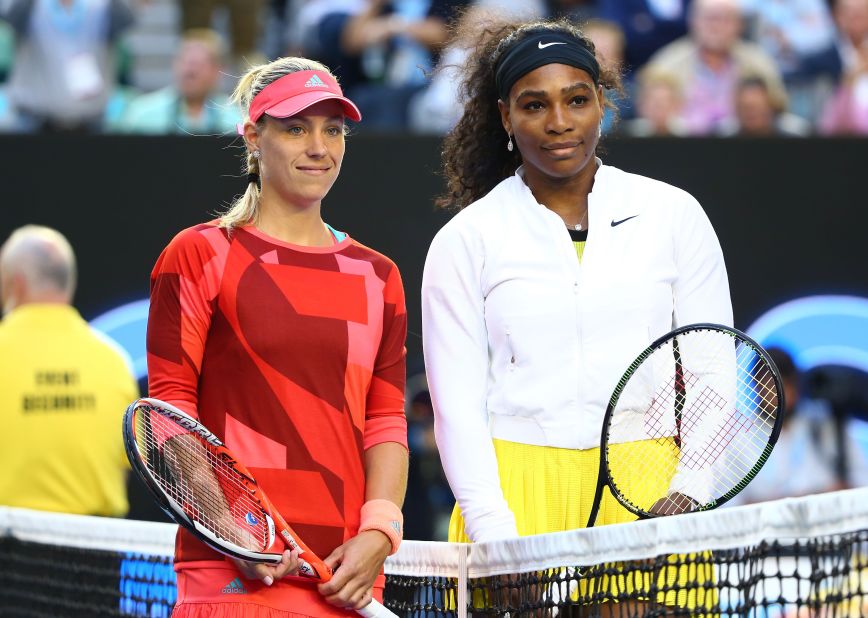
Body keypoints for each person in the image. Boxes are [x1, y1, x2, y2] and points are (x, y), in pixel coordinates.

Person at [421, 15, 731, 612]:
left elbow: (713, 369)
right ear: (506, 117)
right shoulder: (466, 239)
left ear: (603, 104)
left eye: (576, 100)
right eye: (534, 105)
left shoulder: (674, 215)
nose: (559, 122)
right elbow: (456, 407)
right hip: (514, 494)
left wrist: (689, 490)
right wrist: (495, 534)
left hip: (653, 489)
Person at [146, 56, 409, 616]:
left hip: (348, 576)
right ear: (253, 138)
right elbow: (171, 410)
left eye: (333, 130)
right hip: (231, 575)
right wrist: (228, 528)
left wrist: (379, 534)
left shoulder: (378, 275)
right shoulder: (198, 254)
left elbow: (385, 420)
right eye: (296, 128)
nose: (319, 147)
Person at [0, 225, 138, 516]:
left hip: (7, 547)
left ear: (16, 284)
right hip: (95, 549)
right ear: (67, 283)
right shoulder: (113, 361)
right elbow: (130, 462)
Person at [734, 348, 868, 505]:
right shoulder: (741, 437)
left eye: (788, 381)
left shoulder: (824, 421)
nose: (783, 391)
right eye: (771, 383)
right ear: (756, 385)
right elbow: (736, 508)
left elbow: (861, 482)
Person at [642, 0, 786, 135]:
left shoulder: (759, 63)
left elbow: (779, 108)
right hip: (681, 149)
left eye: (725, 19)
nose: (716, 27)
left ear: (740, 25)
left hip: (743, 148)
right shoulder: (667, 63)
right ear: (693, 22)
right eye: (710, 18)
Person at [0, 0, 135, 132]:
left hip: (91, 117)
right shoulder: (28, 6)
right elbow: (11, 19)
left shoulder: (104, 7)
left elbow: (127, 19)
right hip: (34, 117)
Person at [113, 29, 241, 135]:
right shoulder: (142, 114)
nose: (191, 71)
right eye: (186, 63)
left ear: (219, 70)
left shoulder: (235, 120)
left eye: (199, 65)